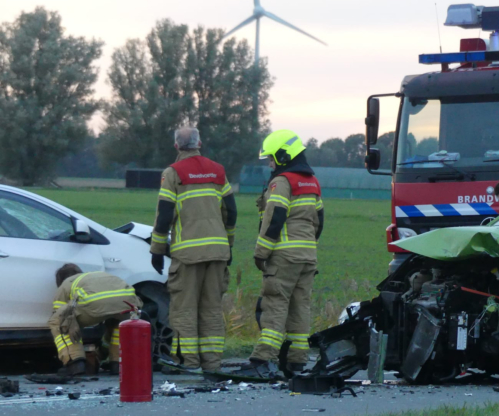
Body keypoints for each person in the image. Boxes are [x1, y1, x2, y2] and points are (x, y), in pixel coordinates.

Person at [236, 130, 324, 379]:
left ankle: (263, 359)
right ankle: (296, 362)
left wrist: (261, 252)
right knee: (300, 308)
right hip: (308, 256)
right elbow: (320, 220)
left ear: (284, 156)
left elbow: (275, 217)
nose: (270, 164)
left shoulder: (282, 182)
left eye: (272, 159)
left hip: (283, 257)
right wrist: (307, 245)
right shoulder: (312, 182)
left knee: (274, 305)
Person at [150, 126, 237, 373]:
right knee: (211, 309)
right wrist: (227, 245)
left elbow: (164, 214)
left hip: (187, 255)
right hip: (218, 252)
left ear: (177, 146)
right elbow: (231, 211)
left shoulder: (173, 173)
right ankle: (212, 364)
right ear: (200, 143)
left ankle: (188, 364)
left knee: (184, 310)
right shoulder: (218, 171)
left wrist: (157, 249)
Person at [48, 264, 142, 377]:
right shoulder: (97, 276)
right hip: (128, 304)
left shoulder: (67, 282)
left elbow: (60, 313)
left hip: (94, 305)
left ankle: (74, 362)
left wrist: (71, 325)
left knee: (58, 321)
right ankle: (118, 363)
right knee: (119, 323)